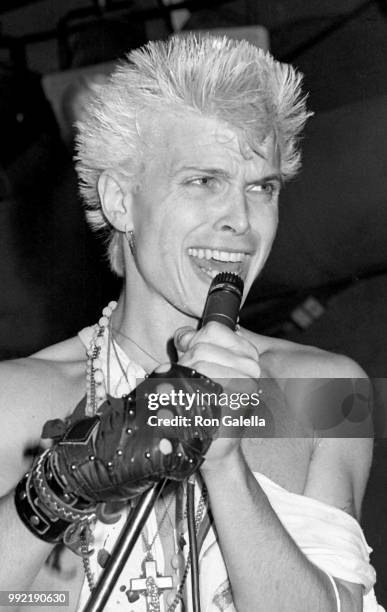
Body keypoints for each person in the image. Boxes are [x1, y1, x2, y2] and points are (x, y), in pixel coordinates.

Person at [0, 34, 381, 612]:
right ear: (121, 201)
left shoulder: (331, 391)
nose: (240, 218)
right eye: (203, 181)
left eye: (262, 187)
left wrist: (226, 465)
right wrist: (63, 486)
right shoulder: (15, 401)